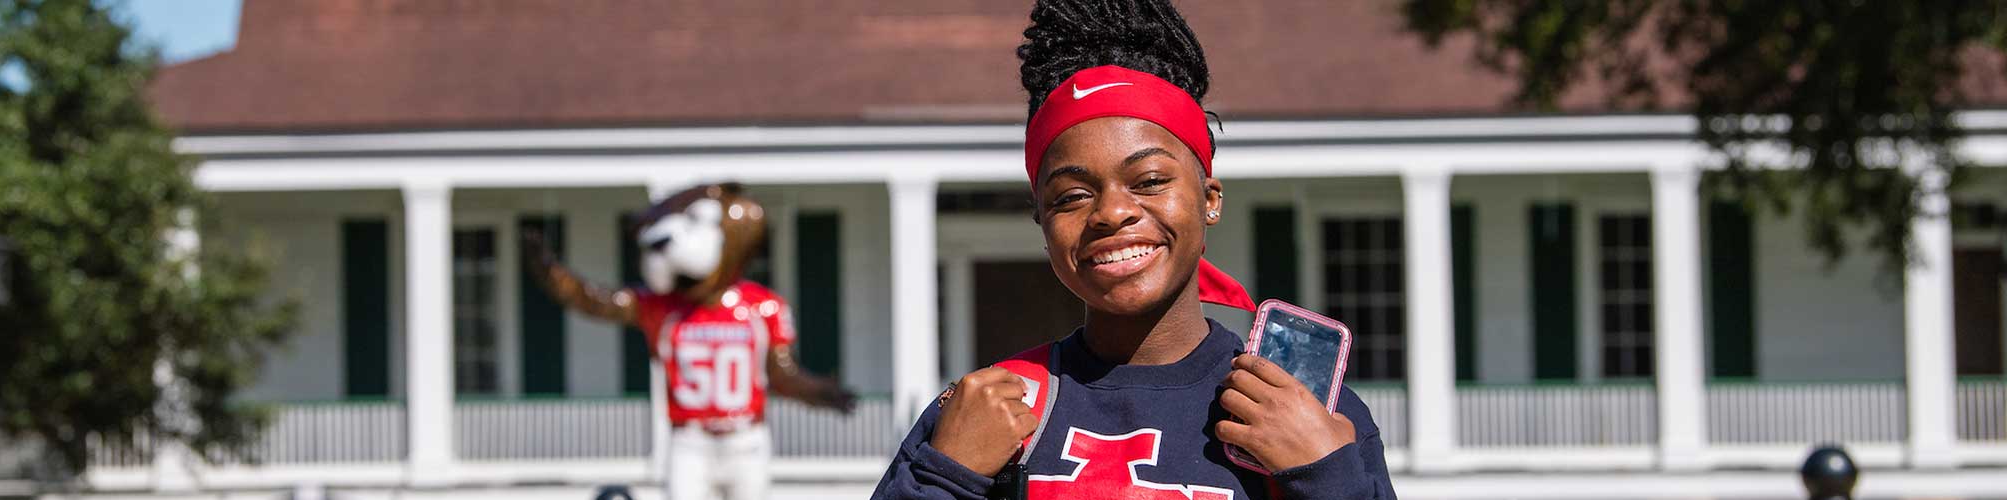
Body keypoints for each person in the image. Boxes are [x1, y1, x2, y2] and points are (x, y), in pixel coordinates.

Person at [871, 1, 1397, 498]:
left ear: (1209, 200)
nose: (1110, 213)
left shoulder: (1303, 413)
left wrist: (1327, 473)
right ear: (1044, 223)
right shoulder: (989, 410)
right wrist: (945, 475)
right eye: (1072, 195)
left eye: (1147, 180)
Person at [526, 183, 856, 500]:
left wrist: (820, 392)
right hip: (690, 438)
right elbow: (596, 300)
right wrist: (550, 272)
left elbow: (781, 372)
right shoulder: (664, 307)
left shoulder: (760, 306)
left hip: (745, 437)